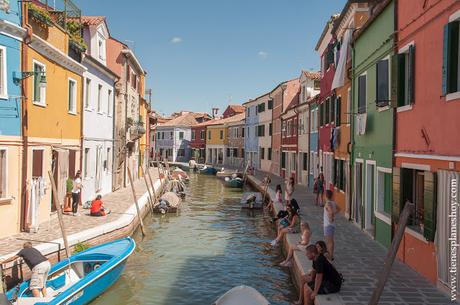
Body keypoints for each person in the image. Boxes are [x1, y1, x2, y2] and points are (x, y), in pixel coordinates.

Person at [324, 190, 338, 260]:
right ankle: (330, 255)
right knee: (330, 241)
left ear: (325, 196)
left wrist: (330, 218)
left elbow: (331, 211)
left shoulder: (328, 203)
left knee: (329, 242)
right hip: (330, 225)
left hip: (328, 225)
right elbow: (339, 209)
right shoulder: (333, 203)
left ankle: (330, 256)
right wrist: (333, 214)